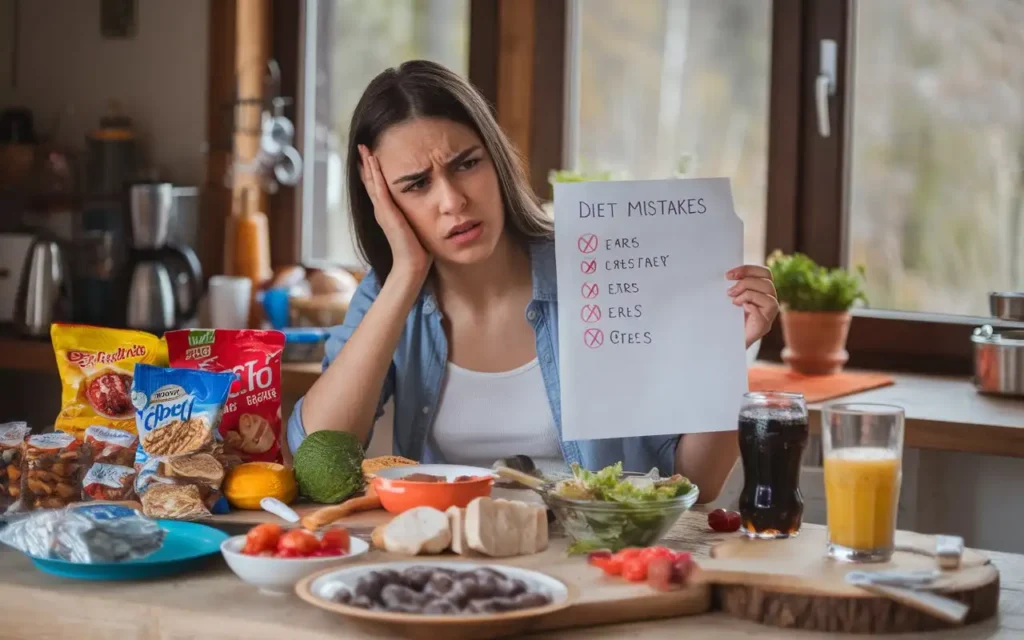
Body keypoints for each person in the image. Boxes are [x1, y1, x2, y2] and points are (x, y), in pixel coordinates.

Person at [286, 60, 779, 502]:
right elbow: (318, 460)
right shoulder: (387, 296)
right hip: (453, 561)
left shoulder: (603, 272)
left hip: (592, 557)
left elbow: (697, 484)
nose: (453, 201)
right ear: (383, 204)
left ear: (496, 160)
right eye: (416, 185)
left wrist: (722, 356)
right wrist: (406, 275)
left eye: (467, 164)